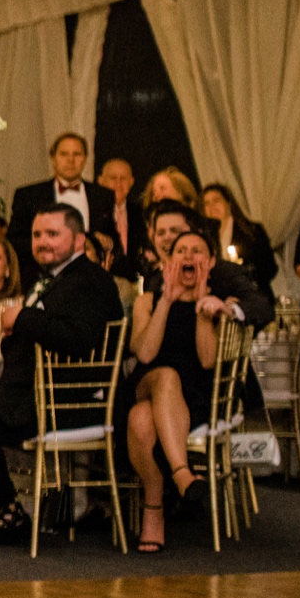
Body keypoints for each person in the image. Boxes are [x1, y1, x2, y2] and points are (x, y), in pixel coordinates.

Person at [0, 205, 122, 544]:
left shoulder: (90, 280)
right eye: (38, 235)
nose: (42, 242)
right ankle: (2, 514)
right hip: (32, 389)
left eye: (53, 234)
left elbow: (79, 338)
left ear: (79, 240)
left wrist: (21, 318)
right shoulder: (56, 278)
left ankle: (5, 518)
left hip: (64, 398)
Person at [124, 228, 226, 552]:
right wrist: (166, 301)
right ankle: (182, 474)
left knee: (142, 420)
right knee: (166, 376)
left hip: (190, 396)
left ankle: (153, 511)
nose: (188, 256)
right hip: (147, 382)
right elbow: (145, 354)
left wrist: (202, 307)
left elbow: (207, 360)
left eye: (197, 251)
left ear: (210, 261)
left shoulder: (215, 304)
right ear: (169, 261)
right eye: (181, 251)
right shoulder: (147, 301)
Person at [142, 201, 273, 331]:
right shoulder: (154, 281)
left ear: (196, 233)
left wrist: (229, 310)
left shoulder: (225, 273)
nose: (167, 237)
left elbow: (262, 307)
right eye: (161, 233)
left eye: (175, 230)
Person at [9, 132, 118, 285]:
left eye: (77, 154)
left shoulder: (102, 196)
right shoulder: (29, 195)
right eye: (64, 154)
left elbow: (113, 237)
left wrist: (109, 242)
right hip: (43, 280)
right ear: (53, 159)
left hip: (91, 280)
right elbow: (15, 240)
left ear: (85, 158)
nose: (70, 160)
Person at [200, 183, 277, 299]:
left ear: (228, 203)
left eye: (216, 201)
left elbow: (269, 268)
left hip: (253, 297)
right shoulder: (204, 238)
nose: (212, 207)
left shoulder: (251, 231)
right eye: (207, 203)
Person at [95, 156, 139, 272]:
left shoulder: (140, 213)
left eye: (123, 178)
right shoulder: (92, 213)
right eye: (113, 178)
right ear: (100, 181)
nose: (118, 183)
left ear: (131, 182)